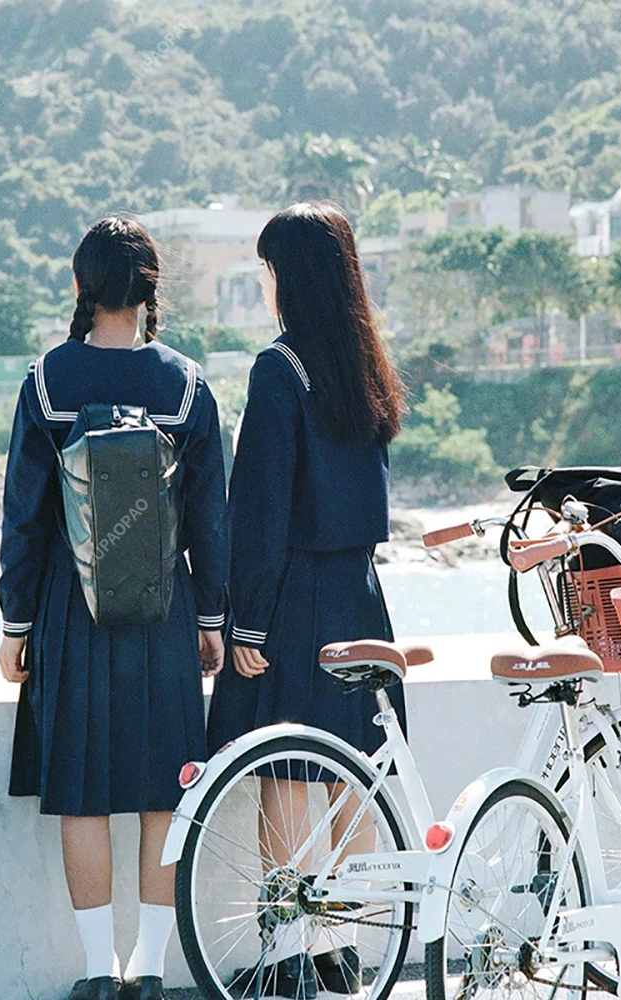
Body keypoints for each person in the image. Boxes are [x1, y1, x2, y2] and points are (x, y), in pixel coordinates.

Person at [0, 217, 228, 1000]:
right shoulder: (188, 385)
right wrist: (210, 619)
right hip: (164, 609)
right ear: (151, 290)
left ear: (80, 287)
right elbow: (210, 520)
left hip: (71, 607)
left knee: (85, 794)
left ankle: (100, 974)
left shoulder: (47, 382)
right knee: (167, 789)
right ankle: (151, 971)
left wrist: (14, 626)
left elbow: (24, 517)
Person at [207, 201, 406, 998]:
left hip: (295, 594)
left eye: (266, 268)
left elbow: (259, 507)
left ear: (289, 277)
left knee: (288, 775)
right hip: (361, 591)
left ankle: (288, 948)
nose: (263, 282)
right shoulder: (364, 365)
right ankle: (339, 948)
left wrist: (244, 618)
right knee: (349, 775)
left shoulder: (278, 368)